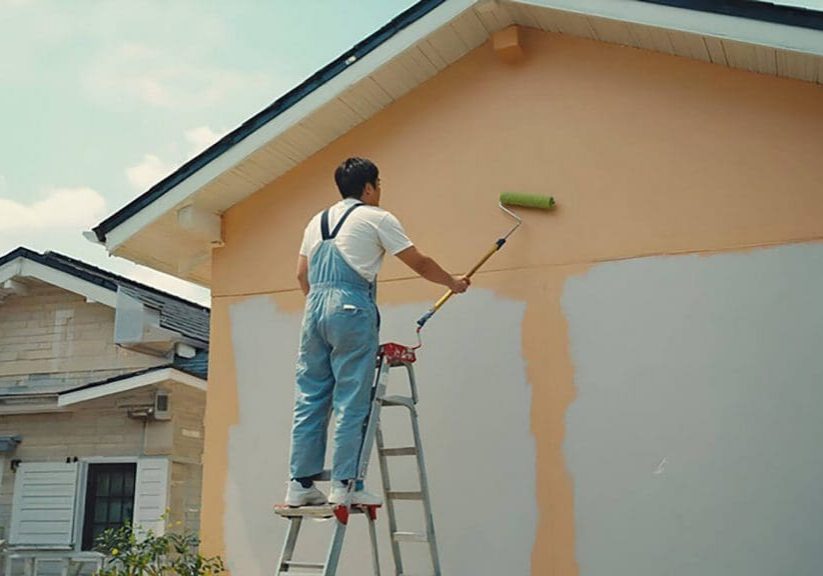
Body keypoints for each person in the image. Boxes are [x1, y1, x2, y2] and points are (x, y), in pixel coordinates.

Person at [285, 157, 470, 507]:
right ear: (368, 188)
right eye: (379, 184)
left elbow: (300, 276)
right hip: (351, 307)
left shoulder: (316, 222)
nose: (380, 191)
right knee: (352, 396)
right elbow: (419, 262)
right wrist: (453, 283)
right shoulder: (377, 218)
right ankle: (345, 485)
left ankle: (299, 484)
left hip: (313, 311)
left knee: (310, 397)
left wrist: (321, 308)